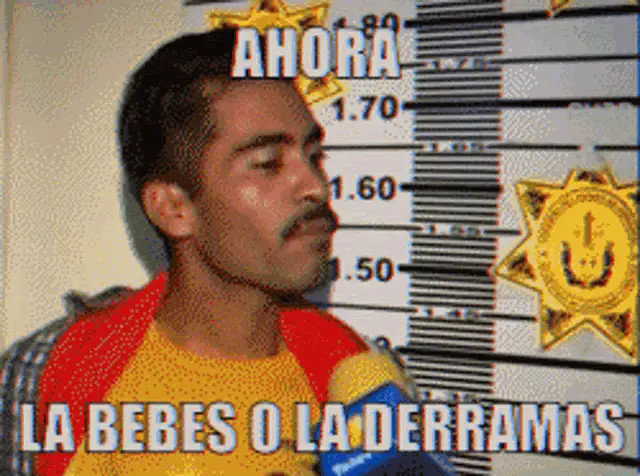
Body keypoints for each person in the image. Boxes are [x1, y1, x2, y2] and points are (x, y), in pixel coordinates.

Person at [0, 27, 413, 475]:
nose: (315, 186)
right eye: (267, 164)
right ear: (173, 208)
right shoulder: (45, 375)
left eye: (314, 156)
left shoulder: (362, 384)